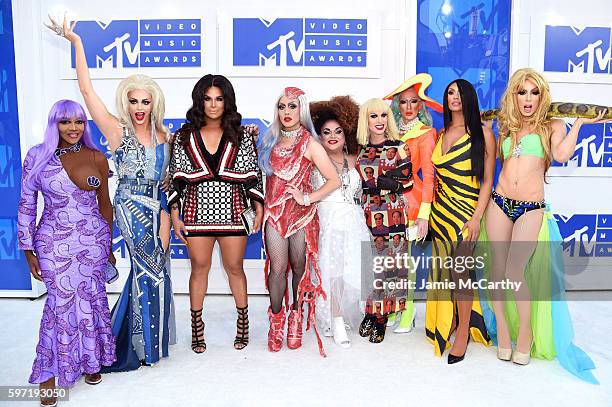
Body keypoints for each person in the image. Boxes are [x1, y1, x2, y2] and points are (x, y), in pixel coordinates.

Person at [49, 15, 176, 371]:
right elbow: (87, 92)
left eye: (145, 102)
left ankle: (153, 344)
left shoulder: (166, 138)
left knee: (159, 271)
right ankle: (132, 346)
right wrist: (77, 43)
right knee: (143, 269)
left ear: (154, 104)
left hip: (158, 209)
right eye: (133, 101)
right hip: (130, 208)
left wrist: (168, 216)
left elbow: (168, 184)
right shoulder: (116, 130)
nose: (138, 108)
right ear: (127, 102)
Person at [482, 68, 601, 382]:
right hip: (499, 202)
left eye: (534, 92)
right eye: (522, 92)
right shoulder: (506, 125)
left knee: (513, 272)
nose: (528, 99)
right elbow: (495, 161)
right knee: (496, 272)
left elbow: (561, 154)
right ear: (514, 95)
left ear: (542, 96)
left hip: (530, 207)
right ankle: (503, 335)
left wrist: (578, 125)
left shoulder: (553, 125)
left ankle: (526, 333)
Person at [18, 100, 116, 406]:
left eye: (78, 122)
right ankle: (47, 376)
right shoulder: (37, 156)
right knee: (59, 307)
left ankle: (90, 363)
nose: (72, 128)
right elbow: (26, 204)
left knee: (91, 300)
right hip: (51, 241)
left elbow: (105, 205)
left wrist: (109, 246)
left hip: (93, 242)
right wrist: (27, 248)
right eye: (65, 122)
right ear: (54, 124)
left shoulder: (96, 156)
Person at [168, 74, 264, 353]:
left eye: (219, 99)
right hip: (196, 211)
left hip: (235, 210)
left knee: (235, 268)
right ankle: (197, 328)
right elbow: (175, 177)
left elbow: (252, 174)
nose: (213, 105)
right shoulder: (184, 136)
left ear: (227, 101)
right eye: (207, 99)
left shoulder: (242, 134)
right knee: (199, 268)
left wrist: (258, 207)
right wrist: (175, 214)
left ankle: (243, 324)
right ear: (200, 100)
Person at [257, 87, 340, 355]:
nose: (286, 112)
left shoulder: (310, 144)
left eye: (292, 107)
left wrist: (307, 197)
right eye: (282, 107)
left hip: (301, 216)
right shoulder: (269, 140)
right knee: (277, 268)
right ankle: (277, 320)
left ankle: (295, 318)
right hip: (274, 214)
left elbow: (334, 180)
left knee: (299, 269)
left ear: (301, 110)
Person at [424, 79, 496, 364]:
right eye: (450, 92)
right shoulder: (441, 133)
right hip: (441, 213)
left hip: (467, 213)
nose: (455, 97)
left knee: (459, 272)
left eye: (460, 93)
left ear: (470, 98)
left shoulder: (483, 134)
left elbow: (488, 180)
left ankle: (464, 332)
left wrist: (477, 217)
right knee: (444, 272)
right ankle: (451, 320)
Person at [310, 95, 371, 348]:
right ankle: (334, 321)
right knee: (332, 271)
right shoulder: (312, 161)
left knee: (351, 271)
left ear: (347, 134)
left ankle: (344, 315)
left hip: (354, 221)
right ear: (319, 137)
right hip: (329, 221)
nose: (333, 136)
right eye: (326, 132)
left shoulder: (357, 161)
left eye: (338, 131)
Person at [384, 73, 442, 332]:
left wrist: (425, 214)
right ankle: (395, 308)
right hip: (385, 205)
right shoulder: (388, 130)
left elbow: (429, 176)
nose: (408, 108)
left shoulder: (426, 134)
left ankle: (408, 313)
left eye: (413, 102)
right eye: (403, 102)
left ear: (421, 105)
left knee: (404, 263)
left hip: (411, 203)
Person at [355, 98, 413, 343]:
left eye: (382, 115)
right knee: (370, 264)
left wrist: (387, 182)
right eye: (373, 116)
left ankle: (381, 318)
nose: (379, 121)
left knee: (389, 265)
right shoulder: (359, 149)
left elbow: (408, 180)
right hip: (365, 212)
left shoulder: (399, 146)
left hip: (393, 211)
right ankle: (371, 310)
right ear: (365, 120)